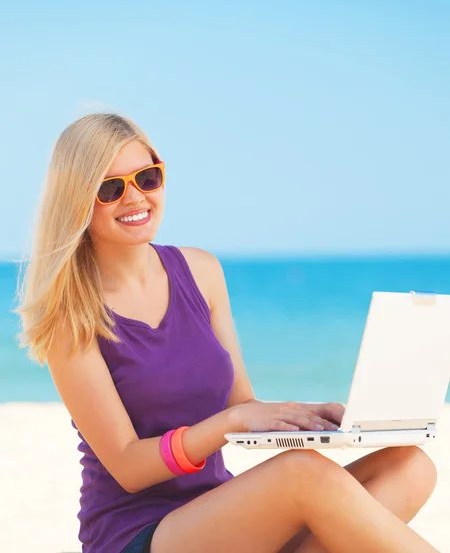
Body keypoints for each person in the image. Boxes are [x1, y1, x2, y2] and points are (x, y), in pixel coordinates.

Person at [16, 113, 439, 553]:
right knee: (302, 474)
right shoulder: (71, 315)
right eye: (110, 188)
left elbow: (242, 405)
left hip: (225, 516)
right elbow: (128, 466)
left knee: (409, 465)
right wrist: (230, 423)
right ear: (78, 200)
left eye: (147, 177)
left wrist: (315, 418)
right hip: (139, 534)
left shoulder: (202, 272)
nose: (136, 197)